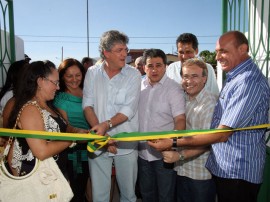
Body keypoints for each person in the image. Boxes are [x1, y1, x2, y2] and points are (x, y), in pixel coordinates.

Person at [148, 31, 270, 202]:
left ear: (243, 49)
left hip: (238, 170)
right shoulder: (235, 77)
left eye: (223, 51)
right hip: (223, 168)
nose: (218, 57)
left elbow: (221, 134)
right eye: (217, 51)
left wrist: (174, 143)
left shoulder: (248, 81)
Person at [83, 30, 141, 202]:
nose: (125, 54)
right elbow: (87, 105)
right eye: (119, 50)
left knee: (128, 195)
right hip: (99, 142)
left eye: (126, 49)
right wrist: (102, 135)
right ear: (106, 53)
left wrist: (106, 125)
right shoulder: (92, 73)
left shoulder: (134, 74)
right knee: (99, 195)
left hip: (126, 144)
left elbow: (129, 109)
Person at [162, 58, 217, 202]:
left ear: (204, 78)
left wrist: (178, 155)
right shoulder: (184, 99)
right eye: (186, 76)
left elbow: (206, 143)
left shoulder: (209, 104)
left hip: (200, 174)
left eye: (195, 76)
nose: (189, 81)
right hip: (182, 170)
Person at [6, 60, 73, 178]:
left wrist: (80, 132)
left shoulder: (48, 106)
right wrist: (71, 140)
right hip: (37, 178)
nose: (58, 88)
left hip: (52, 174)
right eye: (55, 83)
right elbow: (41, 151)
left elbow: (63, 129)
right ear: (41, 81)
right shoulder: (30, 109)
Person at [138, 48, 186, 202]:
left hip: (164, 155)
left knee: (166, 196)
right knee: (147, 195)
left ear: (165, 66)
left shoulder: (173, 89)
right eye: (150, 66)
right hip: (142, 154)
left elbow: (180, 120)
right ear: (144, 67)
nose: (154, 70)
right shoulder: (138, 86)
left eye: (158, 65)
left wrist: (172, 143)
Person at [54, 58, 90, 202]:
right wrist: (78, 131)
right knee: (77, 186)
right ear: (62, 76)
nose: (74, 79)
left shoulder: (88, 91)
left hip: (94, 144)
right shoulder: (60, 98)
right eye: (69, 76)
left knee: (90, 183)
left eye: (78, 75)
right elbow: (64, 126)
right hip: (75, 150)